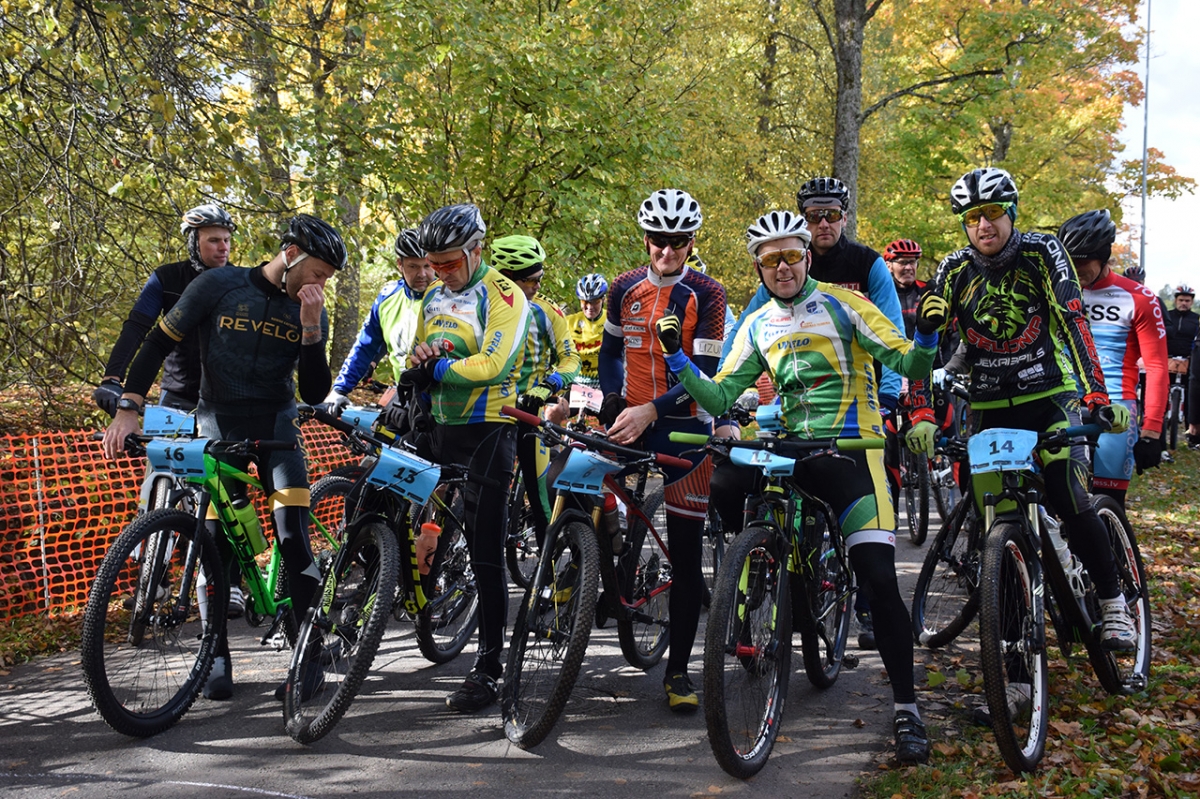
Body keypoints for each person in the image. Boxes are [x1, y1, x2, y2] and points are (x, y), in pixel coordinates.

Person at [655, 209, 944, 763]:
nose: (782, 267)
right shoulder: (757, 322)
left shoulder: (845, 304)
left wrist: (927, 334)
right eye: (771, 260)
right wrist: (677, 358)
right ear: (758, 267)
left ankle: (907, 709)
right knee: (727, 482)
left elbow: (907, 362)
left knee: (879, 578)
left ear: (808, 257)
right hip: (789, 447)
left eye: (791, 255)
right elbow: (720, 395)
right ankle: (760, 569)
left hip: (852, 449)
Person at [102, 213, 347, 702]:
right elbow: (157, 342)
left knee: (292, 535)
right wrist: (129, 407)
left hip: (277, 429)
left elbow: (315, 392)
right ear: (292, 254)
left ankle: (309, 656)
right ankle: (215, 652)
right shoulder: (219, 285)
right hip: (218, 423)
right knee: (215, 540)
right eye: (318, 272)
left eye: (327, 278)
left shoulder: (310, 307)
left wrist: (312, 329)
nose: (321, 284)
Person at [905, 168, 1137, 669]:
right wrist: (922, 410)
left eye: (992, 213)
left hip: (1050, 395)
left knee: (1068, 492)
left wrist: (1097, 395)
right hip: (989, 406)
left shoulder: (1043, 252)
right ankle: (1011, 660)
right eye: (972, 217)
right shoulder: (952, 269)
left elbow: (1073, 321)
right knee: (996, 521)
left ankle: (1113, 601)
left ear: (1010, 213)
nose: (983, 225)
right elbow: (925, 343)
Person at [598, 188, 726, 711]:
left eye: (678, 241)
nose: (667, 251)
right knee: (577, 483)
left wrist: (652, 410)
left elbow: (707, 373)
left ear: (691, 242)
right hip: (630, 417)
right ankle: (597, 577)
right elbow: (610, 352)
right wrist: (612, 398)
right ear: (646, 239)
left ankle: (678, 673)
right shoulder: (622, 286)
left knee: (686, 552)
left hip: (684, 425)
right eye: (658, 240)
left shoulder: (707, 293)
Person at [402, 203, 530, 713]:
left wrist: (437, 370)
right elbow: (418, 350)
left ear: (477, 251)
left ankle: (489, 667)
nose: (440, 272)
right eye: (433, 264)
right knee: (384, 497)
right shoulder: (433, 294)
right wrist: (418, 362)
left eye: (450, 262)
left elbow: (494, 363)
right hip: (437, 424)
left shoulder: (504, 295)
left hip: (488, 429)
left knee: (485, 549)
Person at [1059, 209, 1168, 507]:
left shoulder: (1139, 298)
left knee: (1108, 503)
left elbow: (1157, 367)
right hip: (1063, 401)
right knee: (1054, 499)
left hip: (1115, 405)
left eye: (1082, 262)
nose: (1074, 269)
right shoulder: (1056, 290)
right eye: (1069, 261)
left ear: (1103, 256)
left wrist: (1152, 431)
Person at [94, 203, 236, 415]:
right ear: (193, 242)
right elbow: (136, 327)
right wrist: (111, 378)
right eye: (214, 241)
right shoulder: (167, 278)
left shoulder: (242, 282)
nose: (224, 248)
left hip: (229, 399)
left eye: (227, 240)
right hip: (177, 396)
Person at [491, 234, 580, 548]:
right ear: (507, 278)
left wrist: (549, 385)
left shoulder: (546, 312)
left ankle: (547, 569)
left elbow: (571, 358)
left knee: (541, 499)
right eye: (531, 280)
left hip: (528, 410)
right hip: (487, 410)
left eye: (540, 277)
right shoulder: (479, 304)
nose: (538, 285)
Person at [323, 228, 434, 413]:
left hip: (444, 400)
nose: (422, 274)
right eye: (413, 267)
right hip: (406, 397)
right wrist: (340, 389)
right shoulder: (387, 297)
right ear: (400, 264)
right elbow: (365, 346)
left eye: (427, 266)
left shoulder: (448, 296)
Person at [1165, 284, 1198, 444]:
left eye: (1187, 301)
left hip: (1190, 361)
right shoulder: (1168, 316)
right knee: (1161, 393)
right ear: (1175, 300)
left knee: (1192, 397)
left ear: (1192, 302)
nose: (1184, 303)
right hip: (1167, 359)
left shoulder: (1196, 319)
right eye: (1181, 300)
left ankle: (1191, 434)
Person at [565, 273, 608, 387]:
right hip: (575, 382)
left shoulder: (612, 320)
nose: (589, 307)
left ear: (603, 300)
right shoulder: (569, 322)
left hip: (604, 381)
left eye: (595, 302)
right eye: (585, 302)